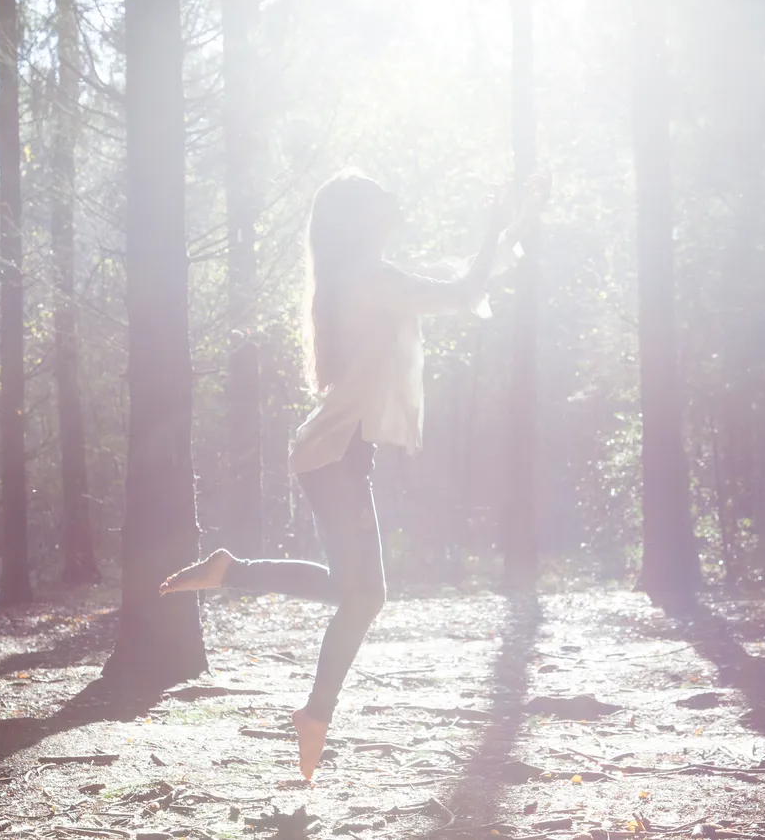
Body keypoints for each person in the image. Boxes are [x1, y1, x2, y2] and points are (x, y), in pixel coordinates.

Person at [160, 167, 549, 780]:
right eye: (380, 205)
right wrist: (496, 225)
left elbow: (465, 283)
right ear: (361, 219)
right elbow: (460, 290)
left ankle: (233, 576)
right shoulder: (371, 279)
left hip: (333, 456)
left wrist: (514, 224)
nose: (392, 210)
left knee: (357, 590)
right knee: (366, 595)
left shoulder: (362, 278)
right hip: (332, 455)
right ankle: (312, 710)